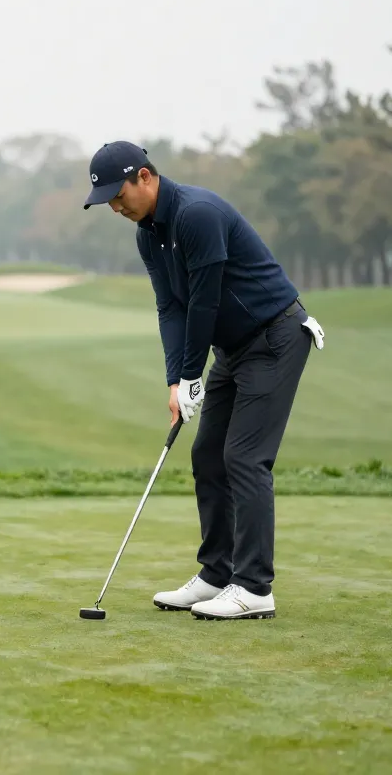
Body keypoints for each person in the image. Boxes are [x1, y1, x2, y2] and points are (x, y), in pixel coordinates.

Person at [82, 141, 325, 620]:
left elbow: (205, 301)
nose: (115, 207)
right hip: (233, 349)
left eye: (118, 195)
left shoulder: (197, 214)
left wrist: (193, 373)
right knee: (207, 454)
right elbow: (170, 307)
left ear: (145, 177)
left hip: (275, 336)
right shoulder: (148, 235)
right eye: (107, 201)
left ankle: (254, 588)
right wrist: (176, 380)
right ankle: (217, 573)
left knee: (245, 458)